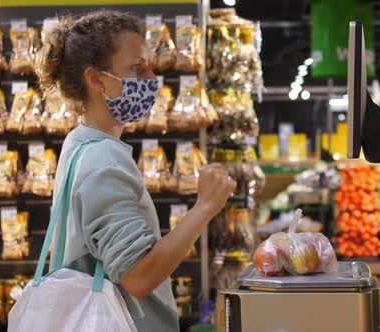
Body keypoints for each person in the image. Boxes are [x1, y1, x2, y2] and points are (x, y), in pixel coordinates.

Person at [35, 10, 236, 331]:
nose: (153, 79)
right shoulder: (103, 159)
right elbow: (138, 277)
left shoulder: (79, 143)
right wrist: (205, 207)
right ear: (96, 79)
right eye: (137, 68)